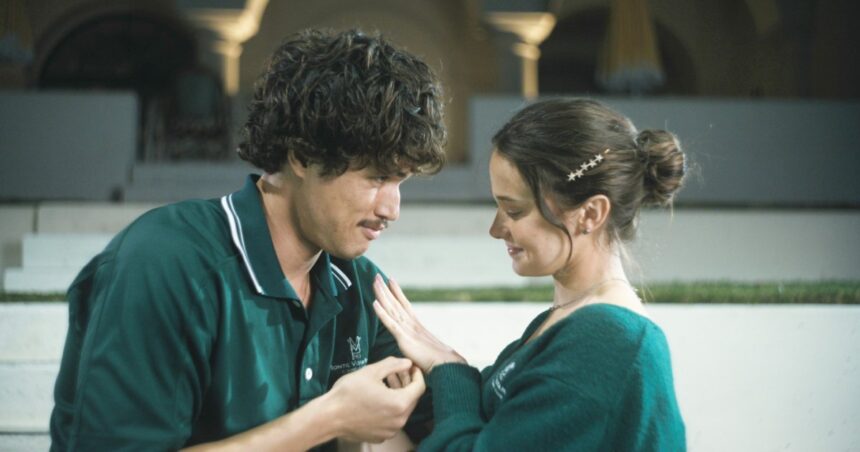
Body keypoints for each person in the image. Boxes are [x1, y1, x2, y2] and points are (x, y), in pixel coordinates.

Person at [50, 28, 446, 451]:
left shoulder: (357, 286)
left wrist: (447, 365)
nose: (392, 209)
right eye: (377, 178)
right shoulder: (166, 264)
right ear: (303, 155)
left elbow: (440, 429)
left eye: (401, 182)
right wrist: (328, 418)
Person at [373, 98, 687, 451]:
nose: (496, 229)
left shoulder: (608, 342)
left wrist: (448, 368)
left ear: (590, 214)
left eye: (515, 211)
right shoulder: (567, 320)